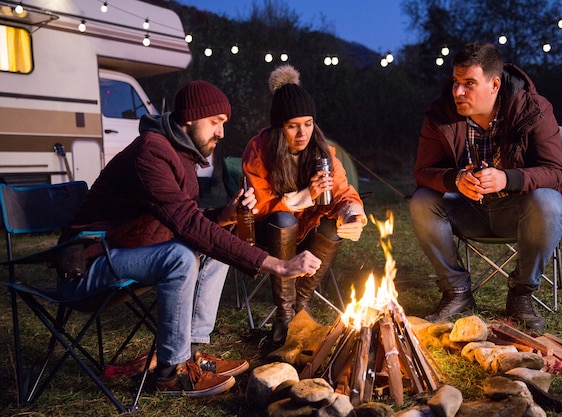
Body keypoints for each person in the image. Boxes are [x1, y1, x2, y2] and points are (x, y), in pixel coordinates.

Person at [57, 80, 321, 397]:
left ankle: (192, 353)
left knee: (216, 240)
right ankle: (171, 374)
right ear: (189, 120)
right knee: (180, 257)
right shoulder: (150, 154)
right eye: (216, 123)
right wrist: (277, 264)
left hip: (125, 251)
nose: (221, 133)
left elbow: (184, 223)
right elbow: (186, 223)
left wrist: (224, 216)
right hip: (87, 267)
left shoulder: (179, 154)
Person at [409, 42, 562, 332]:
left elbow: (554, 172)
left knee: (549, 200)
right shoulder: (440, 115)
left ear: (494, 84)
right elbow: (423, 172)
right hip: (467, 209)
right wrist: (454, 179)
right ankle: (457, 292)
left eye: (469, 84)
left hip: (519, 212)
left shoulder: (533, 109)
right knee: (422, 200)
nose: (458, 92)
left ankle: (521, 294)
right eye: (456, 83)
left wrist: (508, 178)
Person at [242, 65, 367, 346]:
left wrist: (352, 214)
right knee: (285, 220)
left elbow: (342, 192)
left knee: (334, 226)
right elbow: (260, 205)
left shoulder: (321, 153)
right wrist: (306, 196)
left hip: (306, 232)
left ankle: (301, 305)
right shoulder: (259, 150)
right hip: (269, 231)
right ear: (279, 128)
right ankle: (285, 315)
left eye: (308, 123)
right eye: (292, 125)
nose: (302, 133)